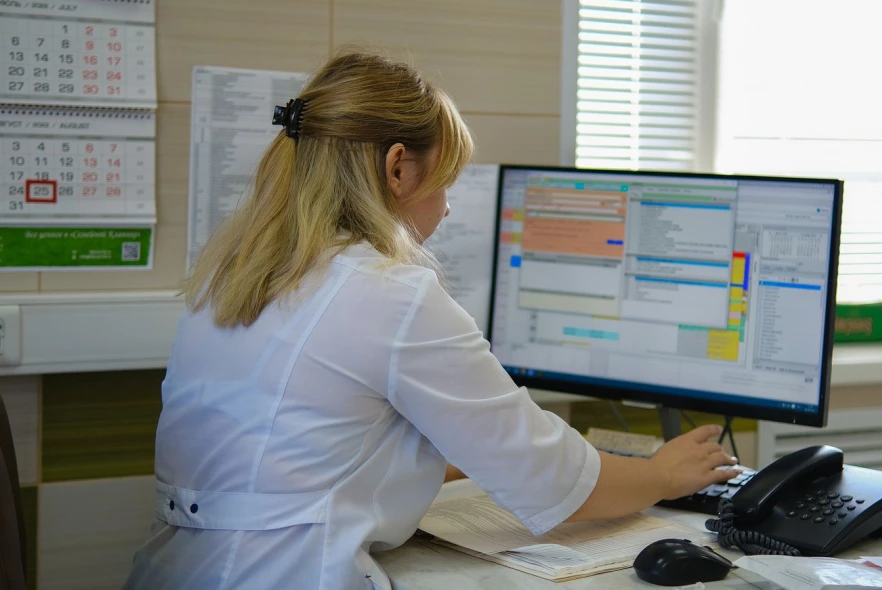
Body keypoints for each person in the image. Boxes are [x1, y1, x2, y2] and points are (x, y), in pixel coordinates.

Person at [124, 49, 739, 590]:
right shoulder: (387, 292)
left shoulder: (230, 276)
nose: (445, 209)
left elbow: (313, 452)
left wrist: (481, 449)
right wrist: (662, 474)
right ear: (398, 167)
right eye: (445, 182)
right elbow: (550, 481)